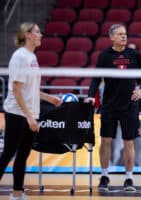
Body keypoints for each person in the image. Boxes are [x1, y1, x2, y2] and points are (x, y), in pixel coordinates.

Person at [0, 22, 61, 200]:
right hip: (17, 112)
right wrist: (29, 117)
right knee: (9, 153)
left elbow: (30, 88)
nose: (40, 35)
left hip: (30, 113)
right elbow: (17, 90)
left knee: (23, 154)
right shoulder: (20, 57)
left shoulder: (32, 57)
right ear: (27, 35)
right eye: (36, 32)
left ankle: (17, 193)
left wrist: (49, 98)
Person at [86, 24, 141, 192]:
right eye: (120, 34)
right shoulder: (105, 56)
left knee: (128, 142)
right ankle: (104, 176)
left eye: (125, 34)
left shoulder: (133, 54)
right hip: (109, 106)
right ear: (112, 37)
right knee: (106, 141)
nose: (124, 37)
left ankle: (129, 178)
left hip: (129, 106)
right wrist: (91, 95)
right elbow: (96, 78)